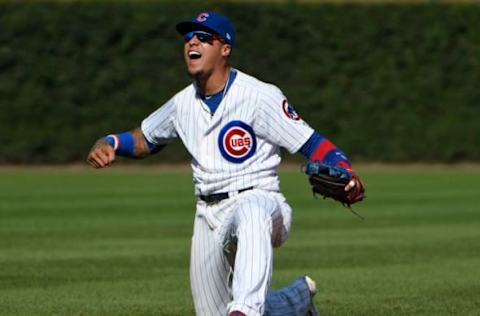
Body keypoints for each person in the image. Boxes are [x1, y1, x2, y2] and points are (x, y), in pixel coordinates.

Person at [87, 11, 363, 316]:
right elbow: (146, 139)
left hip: (261, 201)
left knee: (251, 212)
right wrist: (110, 142)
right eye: (189, 37)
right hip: (208, 214)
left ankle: (245, 310)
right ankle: (297, 300)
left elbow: (311, 142)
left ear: (225, 48)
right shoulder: (182, 104)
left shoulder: (259, 96)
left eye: (204, 37)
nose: (192, 41)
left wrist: (344, 167)